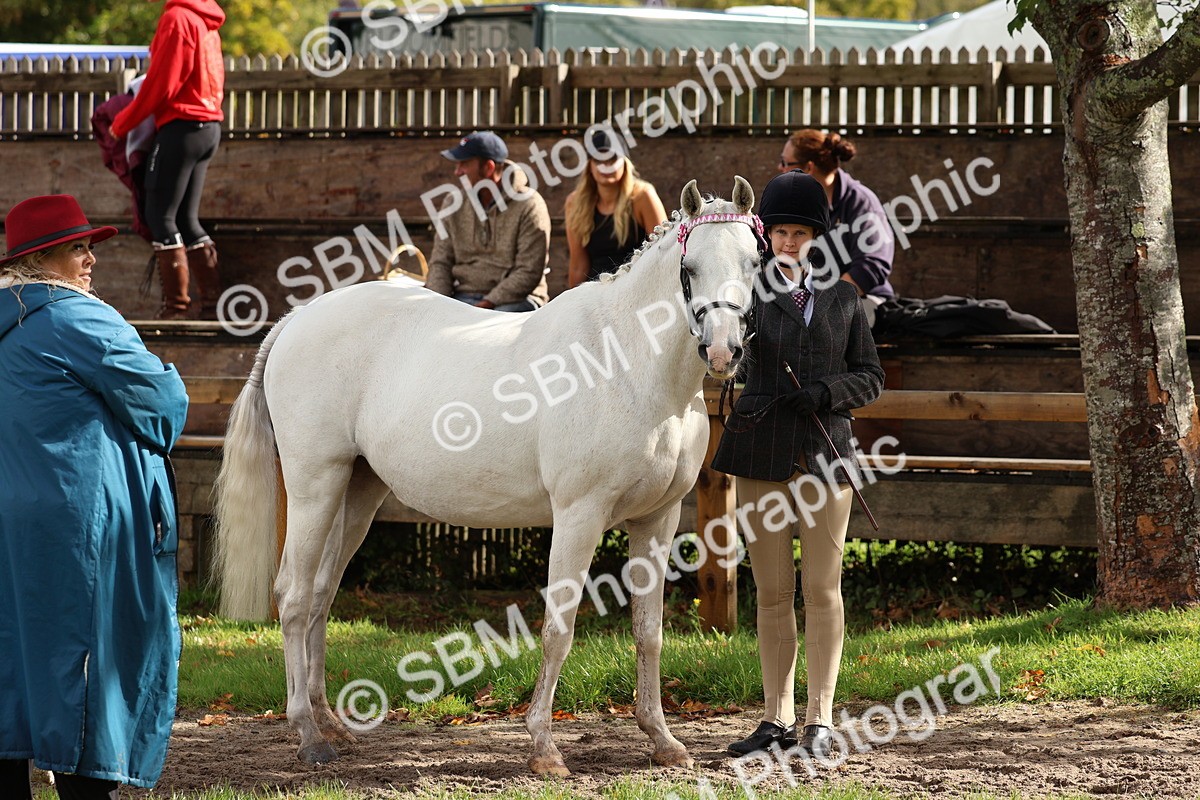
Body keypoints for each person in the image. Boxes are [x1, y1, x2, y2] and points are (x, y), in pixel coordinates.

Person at [0, 195, 190, 799]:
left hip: (10, 521)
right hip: (76, 526)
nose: (90, 260)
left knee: (12, 666)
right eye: (77, 247)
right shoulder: (78, 319)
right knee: (85, 667)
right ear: (41, 258)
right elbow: (163, 408)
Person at [712, 171, 884, 759]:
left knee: (822, 588)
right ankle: (774, 718)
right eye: (780, 232)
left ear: (818, 235)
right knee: (772, 591)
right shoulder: (745, 293)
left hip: (826, 453)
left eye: (800, 232)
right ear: (767, 236)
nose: (789, 242)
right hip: (760, 452)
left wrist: (829, 392)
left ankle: (820, 718)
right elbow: (722, 353)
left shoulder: (843, 297)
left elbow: (872, 377)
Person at [109, 0, 226, 319]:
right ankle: (213, 308)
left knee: (159, 216)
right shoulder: (206, 23)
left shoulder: (177, 18)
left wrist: (122, 123)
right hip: (207, 128)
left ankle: (176, 309)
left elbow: (162, 83)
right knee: (186, 220)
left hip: (181, 129)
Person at [425, 131, 551, 311]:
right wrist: (439, 306)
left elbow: (528, 271)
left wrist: (484, 307)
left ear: (488, 168)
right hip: (463, 298)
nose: (457, 171)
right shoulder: (452, 203)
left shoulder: (530, 205)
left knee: (494, 327)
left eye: (464, 163)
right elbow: (440, 261)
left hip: (517, 299)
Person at [779, 129, 895, 324]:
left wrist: (824, 305)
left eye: (785, 163)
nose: (780, 168)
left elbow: (872, 264)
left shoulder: (861, 201)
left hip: (864, 301)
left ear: (808, 168)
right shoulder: (797, 204)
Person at [564, 130, 666, 287]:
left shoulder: (642, 196)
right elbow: (578, 265)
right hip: (594, 292)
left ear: (624, 162)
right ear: (589, 165)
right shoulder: (575, 202)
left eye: (612, 159)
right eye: (598, 159)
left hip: (636, 286)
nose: (605, 166)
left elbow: (663, 251)